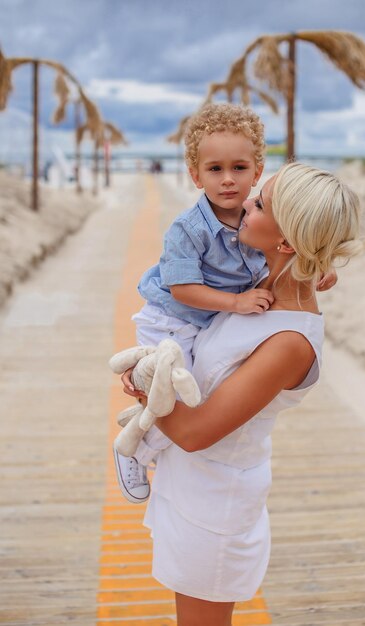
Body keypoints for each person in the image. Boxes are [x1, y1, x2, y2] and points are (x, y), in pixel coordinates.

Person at [120, 161, 365, 626]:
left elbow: (194, 433)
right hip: (190, 489)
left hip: (215, 505)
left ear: (287, 240)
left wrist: (145, 384)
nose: (242, 203)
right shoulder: (261, 286)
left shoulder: (289, 341)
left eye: (258, 204)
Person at [114, 104, 337, 504]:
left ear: (256, 171)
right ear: (195, 175)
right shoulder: (189, 228)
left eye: (239, 169)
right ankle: (131, 448)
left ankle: (136, 446)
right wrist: (236, 303)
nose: (229, 181)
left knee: (183, 393)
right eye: (215, 170)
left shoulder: (255, 228)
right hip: (170, 318)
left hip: (216, 492)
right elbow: (182, 290)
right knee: (175, 391)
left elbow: (296, 246)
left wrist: (321, 267)